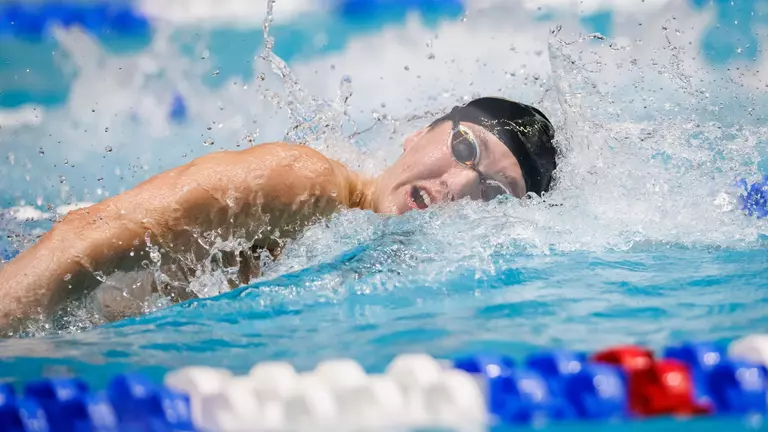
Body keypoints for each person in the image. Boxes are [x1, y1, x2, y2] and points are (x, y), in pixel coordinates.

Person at [0, 96, 557, 333]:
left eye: (494, 193)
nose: (459, 186)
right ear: (421, 133)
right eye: (464, 150)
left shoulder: (404, 279)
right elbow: (89, 235)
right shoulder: (300, 183)